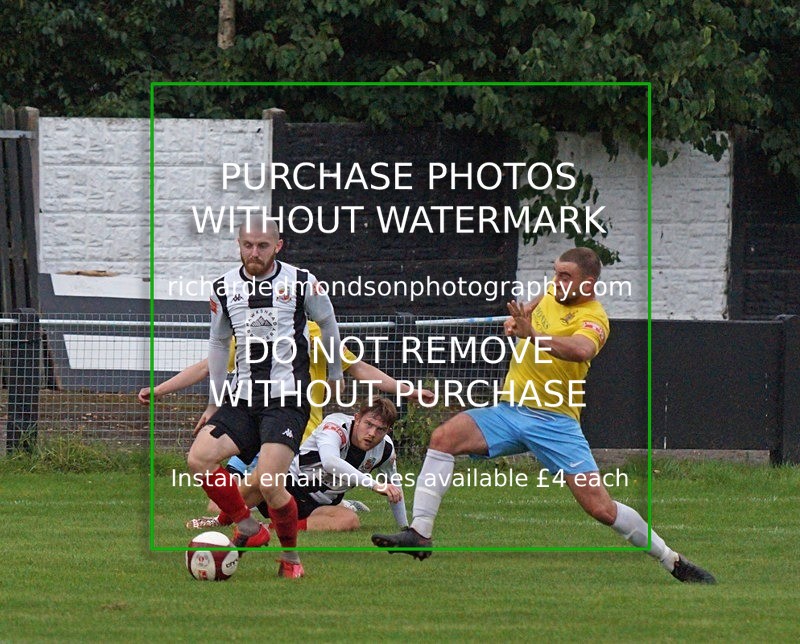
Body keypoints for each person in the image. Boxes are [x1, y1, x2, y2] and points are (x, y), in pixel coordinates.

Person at [372, 247, 716, 584]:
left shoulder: (594, 318)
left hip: (554, 422)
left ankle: (671, 560)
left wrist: (532, 335)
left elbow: (581, 349)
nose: (557, 281)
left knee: (602, 509)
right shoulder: (552, 292)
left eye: (566, 276)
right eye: (556, 273)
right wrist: (517, 320)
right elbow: (528, 311)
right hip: (510, 410)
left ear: (589, 282)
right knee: (442, 438)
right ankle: (420, 532)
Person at [139, 323, 434, 522]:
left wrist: (409, 390)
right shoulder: (252, 331)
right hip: (251, 431)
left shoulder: (314, 336)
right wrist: (160, 390)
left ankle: (321, 507)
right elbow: (207, 366)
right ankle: (322, 505)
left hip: (294, 438)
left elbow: (358, 368)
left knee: (255, 497)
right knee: (218, 503)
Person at [187, 218, 343, 579]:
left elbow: (330, 323)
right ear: (239, 245)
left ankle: (291, 560)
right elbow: (217, 342)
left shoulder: (303, 282)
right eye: (247, 245)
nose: (253, 253)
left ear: (278, 246)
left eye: (262, 245)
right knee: (199, 459)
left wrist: (334, 375)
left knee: (270, 482)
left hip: (287, 400)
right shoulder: (224, 287)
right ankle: (247, 526)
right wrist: (213, 402)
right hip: (242, 399)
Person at [193, 398, 408, 533]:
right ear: (357, 418)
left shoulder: (386, 451)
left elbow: (395, 488)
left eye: (380, 429)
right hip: (287, 485)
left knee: (349, 520)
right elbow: (331, 462)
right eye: (368, 424)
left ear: (387, 431)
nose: (371, 433)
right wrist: (373, 484)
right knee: (261, 479)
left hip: (318, 505)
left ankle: (268, 528)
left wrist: (405, 528)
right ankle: (219, 521)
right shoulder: (336, 426)